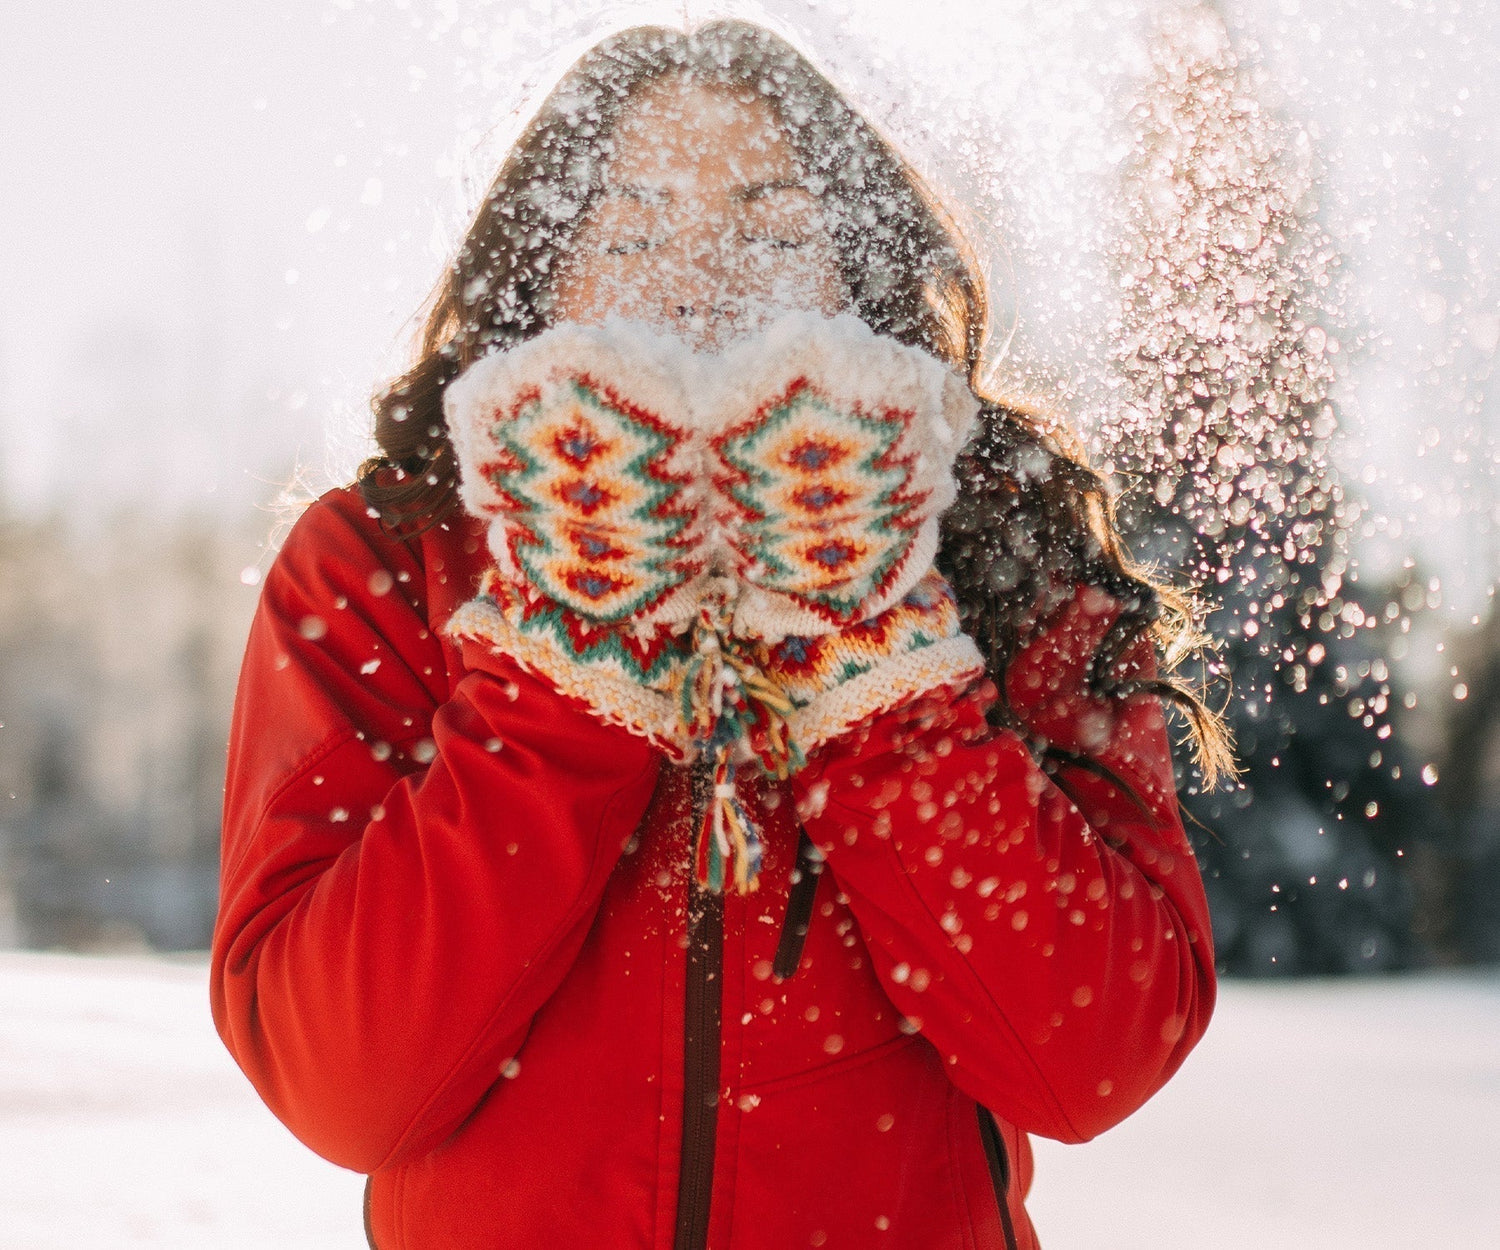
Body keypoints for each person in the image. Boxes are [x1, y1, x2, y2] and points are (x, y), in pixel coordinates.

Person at [210, 19, 1230, 1250]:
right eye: (632, 227)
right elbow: (345, 1081)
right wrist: (573, 660)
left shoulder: (998, 549)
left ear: (858, 269)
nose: (699, 275)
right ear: (543, 270)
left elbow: (1091, 1057)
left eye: (774, 225)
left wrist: (872, 646)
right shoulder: (381, 556)